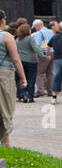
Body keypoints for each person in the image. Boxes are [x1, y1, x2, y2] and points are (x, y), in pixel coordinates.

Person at [0, 11, 27, 146]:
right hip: (4, 75)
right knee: (6, 108)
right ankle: (5, 143)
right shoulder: (6, 36)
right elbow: (16, 59)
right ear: (3, 20)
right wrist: (23, 77)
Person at [14, 19, 40, 103]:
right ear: (27, 30)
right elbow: (35, 48)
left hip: (20, 60)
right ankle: (30, 96)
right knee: (31, 78)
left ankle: (23, 95)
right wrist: (43, 56)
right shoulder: (30, 38)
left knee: (22, 78)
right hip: (31, 60)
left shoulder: (17, 40)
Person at [31, 18, 54, 98]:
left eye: (35, 27)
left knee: (39, 72)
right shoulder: (51, 31)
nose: (35, 28)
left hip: (44, 53)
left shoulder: (38, 33)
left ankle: (40, 91)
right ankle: (50, 91)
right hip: (53, 52)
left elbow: (38, 46)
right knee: (50, 72)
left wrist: (40, 55)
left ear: (38, 26)